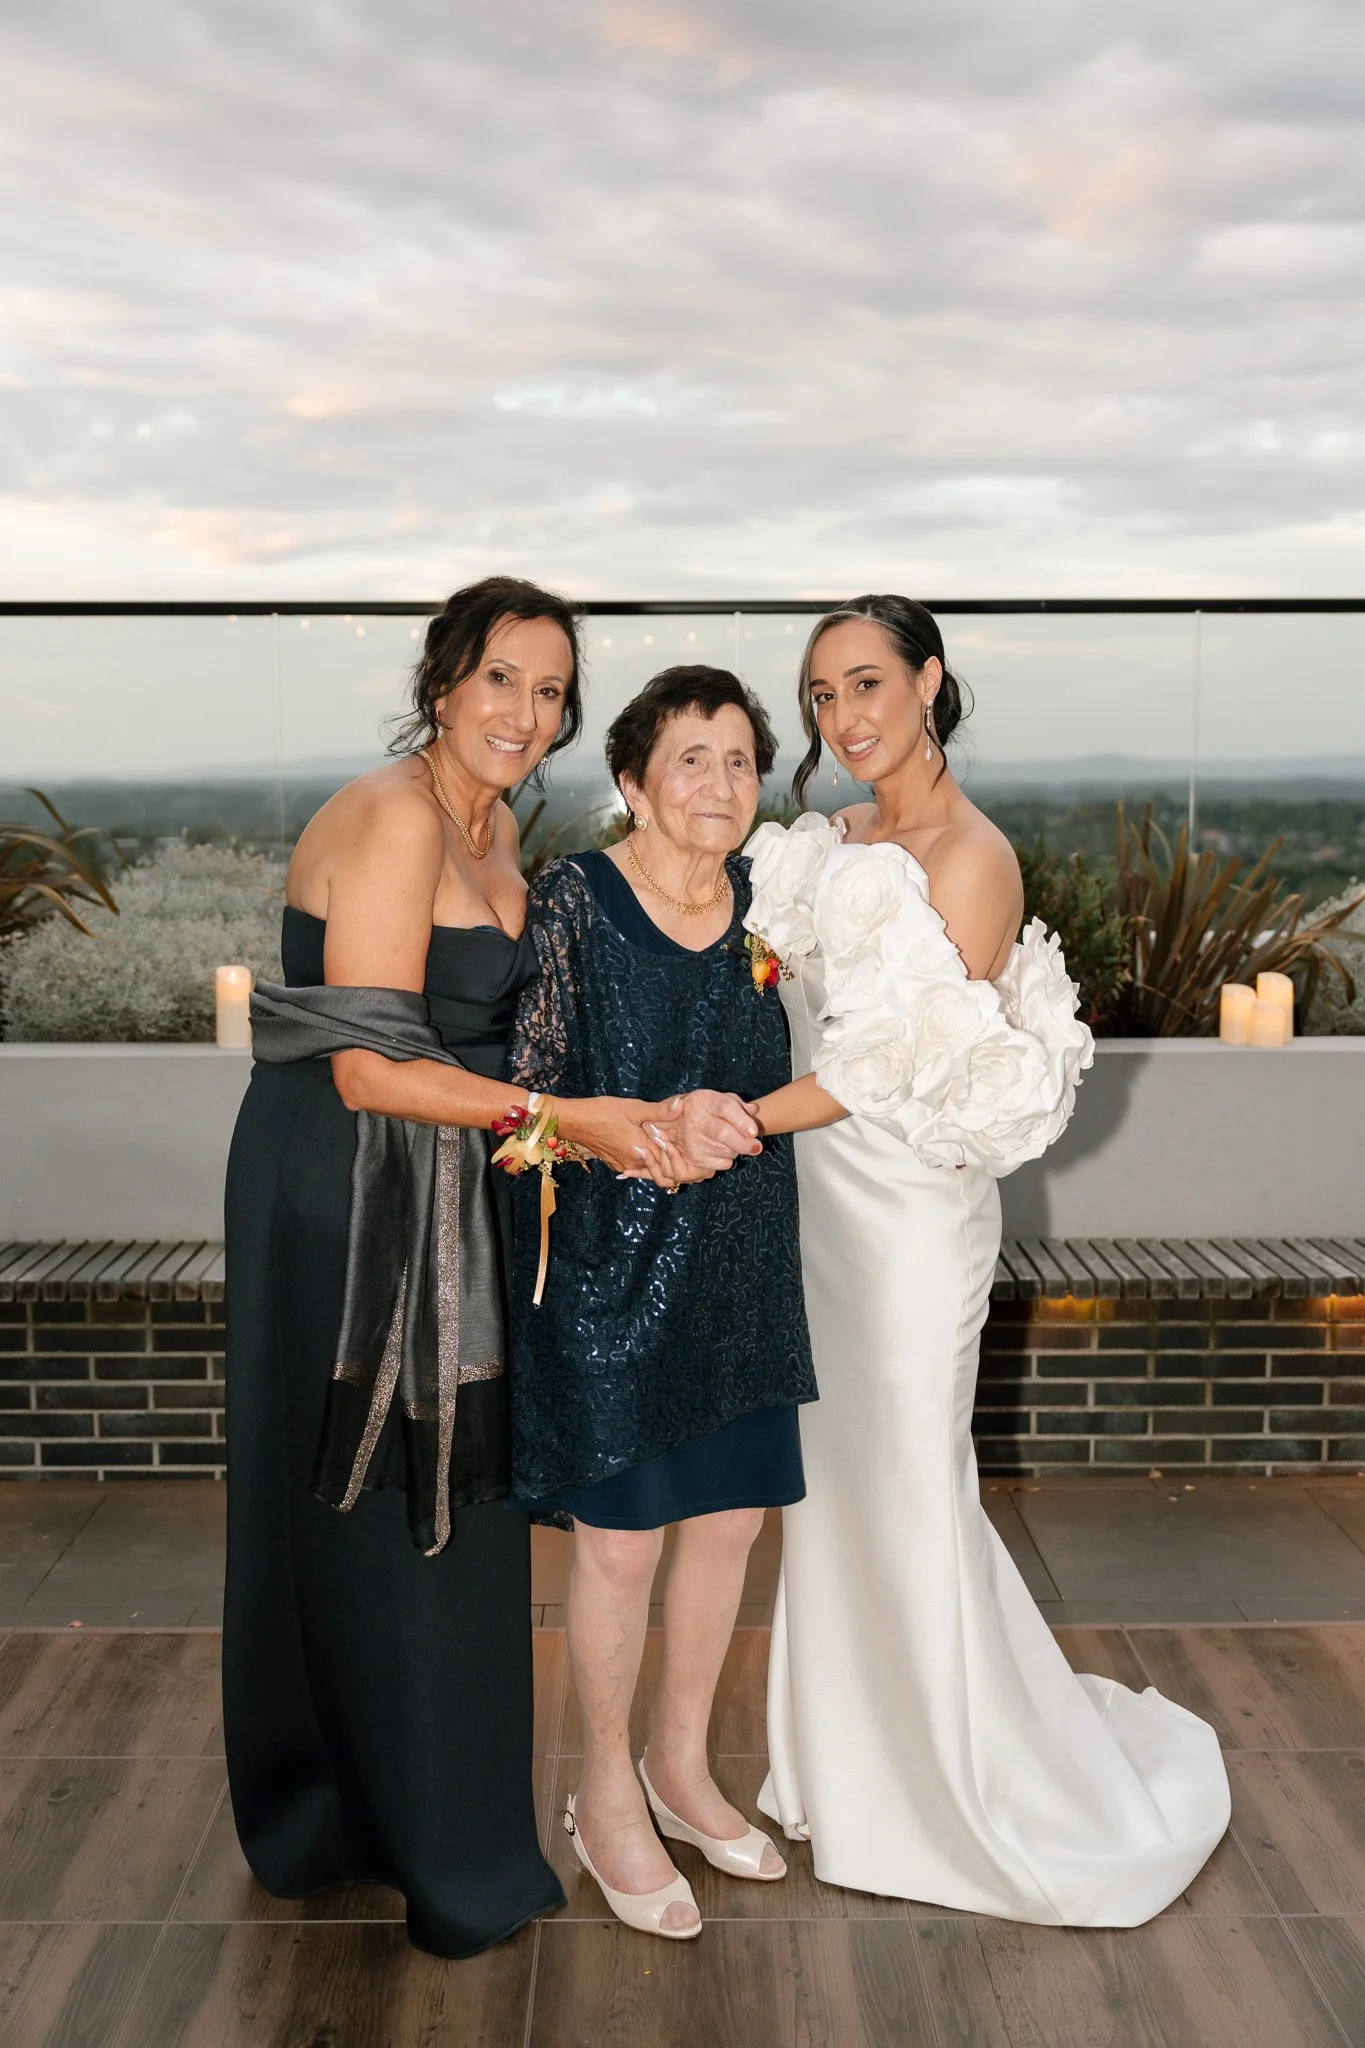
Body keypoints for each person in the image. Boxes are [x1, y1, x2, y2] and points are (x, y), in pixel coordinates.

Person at [737, 594, 1232, 1926]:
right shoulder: (827, 841)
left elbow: (887, 1064)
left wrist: (734, 1124)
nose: (841, 717)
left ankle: (948, 1794)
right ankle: (841, 1773)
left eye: (864, 684)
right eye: (820, 695)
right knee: (828, 1491)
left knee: (904, 1481)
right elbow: (772, 990)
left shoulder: (972, 857)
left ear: (929, 681)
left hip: (902, 1217)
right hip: (813, 1211)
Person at [223, 575, 685, 1958]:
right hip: (348, 1195)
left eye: (551, 693)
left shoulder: (496, 828)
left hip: (450, 1184)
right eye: (502, 681)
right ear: (442, 683)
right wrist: (566, 1123)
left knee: (443, 1507)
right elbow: (367, 1069)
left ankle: (393, 1816)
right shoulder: (388, 817)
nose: (525, 714)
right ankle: (408, 1839)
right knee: (382, 1503)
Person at [505, 664, 817, 1939]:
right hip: (610, 1269)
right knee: (623, 1540)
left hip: (741, 1262)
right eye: (691, 757)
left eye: (741, 758)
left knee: (732, 1522)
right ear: (631, 780)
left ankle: (682, 1767)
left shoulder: (774, 898)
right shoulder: (576, 898)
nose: (721, 783)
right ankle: (604, 1787)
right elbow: (522, 1107)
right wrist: (633, 1135)